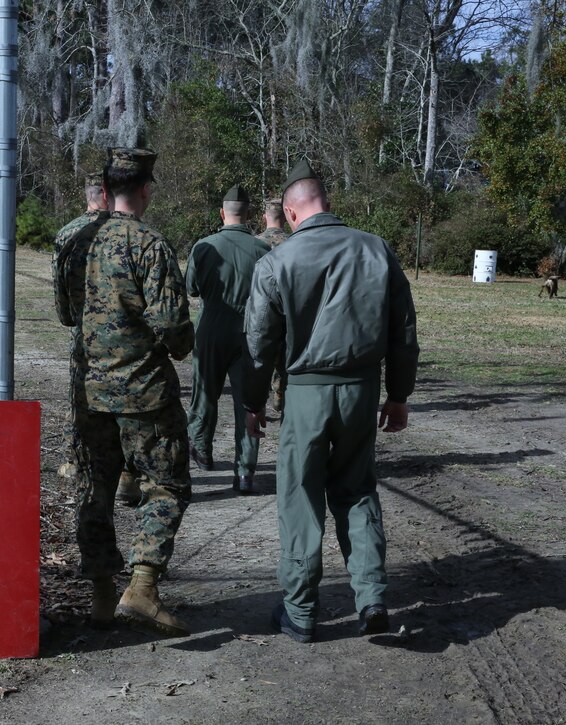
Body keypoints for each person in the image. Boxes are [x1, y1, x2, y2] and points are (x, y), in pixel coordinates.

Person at [243, 159, 419, 643]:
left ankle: (300, 610)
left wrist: (252, 405)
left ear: (291, 214)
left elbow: (259, 346)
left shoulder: (276, 262)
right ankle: (371, 596)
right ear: (326, 203)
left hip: (305, 392)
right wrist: (398, 395)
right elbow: (404, 333)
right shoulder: (377, 250)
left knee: (300, 496)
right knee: (357, 489)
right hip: (362, 391)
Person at [71, 147, 195, 636]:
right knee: (166, 483)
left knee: (94, 488)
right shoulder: (149, 244)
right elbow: (172, 326)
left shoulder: (73, 238)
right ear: (144, 190)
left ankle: (102, 596)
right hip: (143, 390)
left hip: (88, 388)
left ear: (104, 188)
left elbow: (65, 312)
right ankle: (142, 586)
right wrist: (182, 342)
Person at [52, 174, 141, 507]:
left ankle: (79, 464)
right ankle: (128, 475)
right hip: (126, 339)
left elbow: (62, 305)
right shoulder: (128, 233)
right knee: (128, 408)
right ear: (106, 194)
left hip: (86, 338)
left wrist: (73, 318)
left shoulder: (68, 234)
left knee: (84, 404)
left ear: (88, 194)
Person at [185, 185, 271, 493]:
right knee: (248, 401)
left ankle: (201, 451)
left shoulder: (203, 246)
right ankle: (245, 472)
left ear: (222, 213)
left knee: (205, 391)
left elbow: (192, 288)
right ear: (249, 214)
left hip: (211, 328)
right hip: (250, 333)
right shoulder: (263, 250)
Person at [257, 198, 289, 412]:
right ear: (285, 217)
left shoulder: (255, 242)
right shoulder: (295, 241)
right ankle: (280, 392)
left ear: (264, 217)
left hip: (262, 306)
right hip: (288, 307)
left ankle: (258, 398)